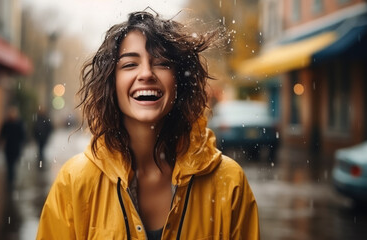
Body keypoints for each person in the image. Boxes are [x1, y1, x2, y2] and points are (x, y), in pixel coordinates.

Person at [37, 11, 259, 239]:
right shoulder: (75, 181)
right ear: (111, 83)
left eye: (162, 63)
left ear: (179, 81)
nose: (146, 74)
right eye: (130, 64)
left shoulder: (230, 182)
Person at [0, 106, 26, 188]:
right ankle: (10, 178)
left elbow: (22, 135)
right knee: (10, 164)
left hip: (15, 147)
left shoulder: (19, 123)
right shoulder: (7, 123)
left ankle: (11, 177)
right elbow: (2, 134)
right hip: (9, 147)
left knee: (12, 163)